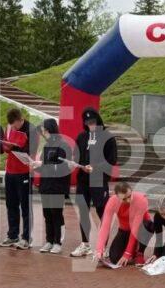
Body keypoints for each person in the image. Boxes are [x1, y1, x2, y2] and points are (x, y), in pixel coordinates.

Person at [72, 107, 118, 258]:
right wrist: (77, 164)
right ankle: (85, 244)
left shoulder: (108, 137)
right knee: (83, 211)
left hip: (99, 179)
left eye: (92, 122)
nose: (90, 125)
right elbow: (76, 156)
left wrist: (96, 167)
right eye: (87, 122)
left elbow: (112, 161)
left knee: (101, 211)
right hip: (83, 179)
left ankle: (102, 246)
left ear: (98, 120)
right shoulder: (82, 136)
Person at [34, 118, 73, 253]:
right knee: (47, 214)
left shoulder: (63, 146)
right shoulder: (46, 146)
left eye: (44, 131)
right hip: (46, 185)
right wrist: (36, 166)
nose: (43, 134)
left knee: (56, 214)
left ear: (50, 129)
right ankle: (49, 241)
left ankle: (58, 242)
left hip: (57, 186)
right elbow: (44, 168)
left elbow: (64, 168)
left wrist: (43, 165)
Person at [94, 181, 149, 267]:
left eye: (129, 196)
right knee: (114, 258)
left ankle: (140, 253)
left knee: (147, 225)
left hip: (141, 228)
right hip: (124, 229)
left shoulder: (141, 200)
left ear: (131, 191)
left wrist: (127, 253)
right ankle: (133, 251)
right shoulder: (112, 201)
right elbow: (105, 226)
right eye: (124, 199)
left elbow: (135, 228)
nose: (128, 200)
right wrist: (99, 250)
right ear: (117, 197)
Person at [0, 107, 32, 248]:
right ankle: (12, 235)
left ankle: (26, 238)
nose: (13, 128)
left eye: (15, 125)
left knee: (25, 206)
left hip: (24, 172)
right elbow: (4, 144)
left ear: (20, 120)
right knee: (11, 204)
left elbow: (30, 151)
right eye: (11, 125)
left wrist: (15, 148)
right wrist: (6, 147)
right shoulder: (9, 127)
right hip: (10, 171)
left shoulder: (31, 130)